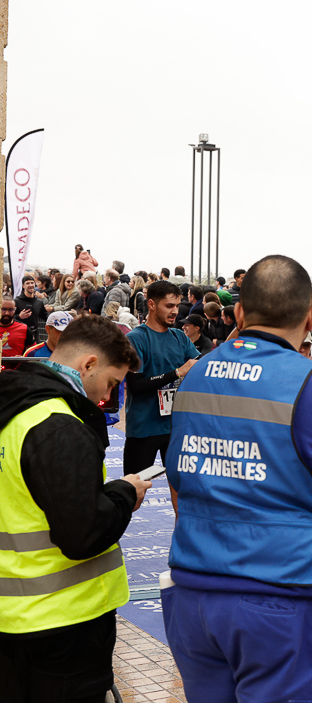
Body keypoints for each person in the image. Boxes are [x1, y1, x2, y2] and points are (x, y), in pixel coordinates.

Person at [161, 254, 312, 703]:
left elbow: (179, 472)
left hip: (195, 588)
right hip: (286, 594)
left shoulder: (197, 376)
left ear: (238, 313)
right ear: (311, 317)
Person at [0, 315, 148, 702]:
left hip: (13, 617)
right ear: (89, 364)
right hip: (65, 621)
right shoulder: (59, 425)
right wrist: (123, 494)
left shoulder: (14, 411)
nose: (106, 397)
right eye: (111, 383)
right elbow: (82, 534)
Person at [122, 280, 200, 476]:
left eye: (177, 306)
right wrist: (176, 373)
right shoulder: (136, 338)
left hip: (175, 427)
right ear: (151, 304)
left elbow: (200, 365)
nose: (175, 311)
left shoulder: (179, 336)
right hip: (144, 428)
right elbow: (136, 386)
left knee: (180, 485)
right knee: (135, 486)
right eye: (169, 306)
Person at [14, 276, 47, 344]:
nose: (30, 285)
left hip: (34, 334)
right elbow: (10, 318)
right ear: (23, 286)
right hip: (20, 333)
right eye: (27, 283)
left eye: (32, 283)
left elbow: (45, 317)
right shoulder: (16, 301)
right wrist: (19, 316)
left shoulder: (39, 302)